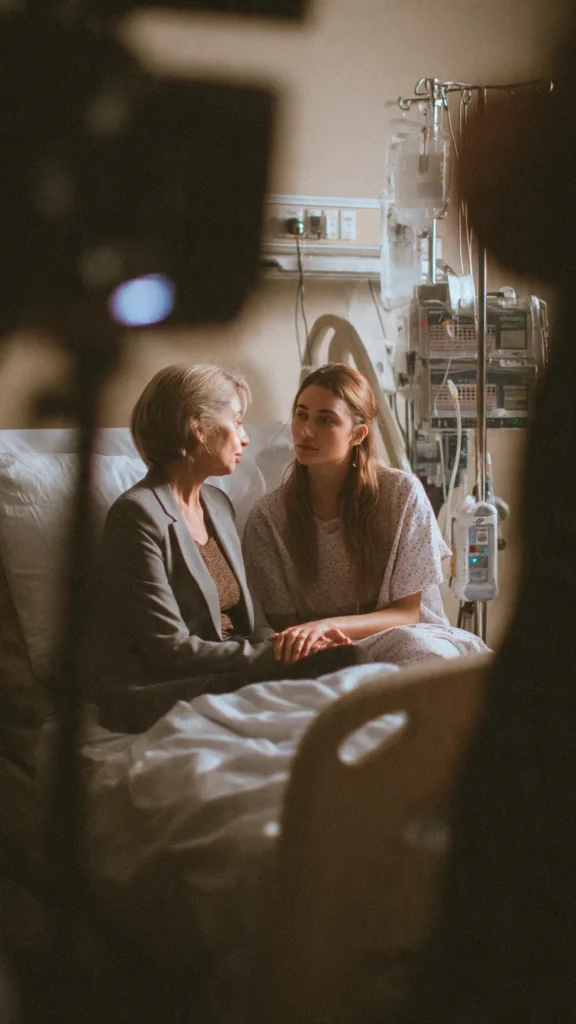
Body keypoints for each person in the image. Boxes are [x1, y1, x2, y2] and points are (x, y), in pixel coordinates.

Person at [92, 363, 367, 734]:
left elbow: (252, 622)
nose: (245, 437)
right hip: (164, 687)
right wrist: (274, 656)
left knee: (345, 657)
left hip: (232, 667)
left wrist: (290, 644)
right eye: (236, 422)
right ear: (198, 427)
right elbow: (169, 651)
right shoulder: (137, 516)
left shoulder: (218, 506)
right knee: (343, 662)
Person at [243, 363, 486, 667]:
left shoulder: (401, 495)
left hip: (402, 636)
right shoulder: (268, 520)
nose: (306, 431)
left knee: (423, 651)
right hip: (323, 651)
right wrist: (324, 638)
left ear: (358, 434)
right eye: (301, 415)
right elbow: (289, 630)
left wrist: (326, 625)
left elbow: (407, 613)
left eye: (325, 420)